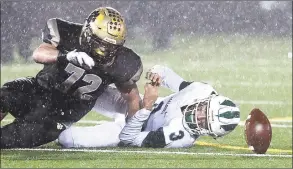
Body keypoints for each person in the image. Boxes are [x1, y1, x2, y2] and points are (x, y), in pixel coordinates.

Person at [0, 7, 143, 148]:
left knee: (6, 139)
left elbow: (132, 97)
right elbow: (39, 54)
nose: (104, 52)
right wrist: (65, 56)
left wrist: (132, 131)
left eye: (112, 48)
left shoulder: (124, 62)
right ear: (87, 33)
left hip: (58, 116)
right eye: (100, 45)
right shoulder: (68, 33)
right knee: (4, 94)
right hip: (37, 92)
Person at [58, 65, 240, 148]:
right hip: (136, 104)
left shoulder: (179, 137)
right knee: (82, 87)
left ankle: (47, 124)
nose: (197, 119)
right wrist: (157, 73)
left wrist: (147, 106)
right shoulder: (202, 90)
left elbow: (128, 137)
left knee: (67, 139)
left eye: (204, 123)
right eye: (203, 112)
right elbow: (167, 73)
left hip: (128, 127)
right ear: (206, 100)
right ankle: (45, 101)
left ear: (211, 133)